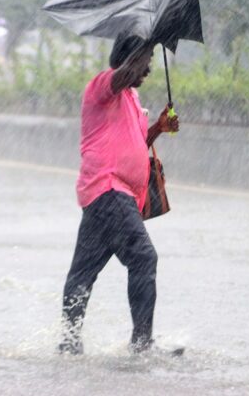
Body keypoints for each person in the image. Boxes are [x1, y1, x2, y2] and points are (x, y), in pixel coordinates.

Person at [58, 34, 179, 356]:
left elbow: (136, 144)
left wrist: (158, 128)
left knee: (83, 272)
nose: (148, 70)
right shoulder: (103, 86)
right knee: (143, 257)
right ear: (130, 58)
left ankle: (68, 343)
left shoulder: (132, 100)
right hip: (110, 190)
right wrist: (149, 42)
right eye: (146, 62)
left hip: (106, 196)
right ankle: (142, 345)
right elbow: (124, 74)